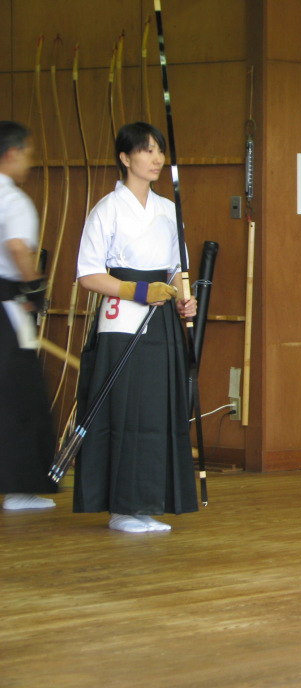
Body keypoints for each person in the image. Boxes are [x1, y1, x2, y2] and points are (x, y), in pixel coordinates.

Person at [73, 122, 198, 533]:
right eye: (146, 150)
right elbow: (89, 274)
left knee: (157, 410)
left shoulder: (167, 209)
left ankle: (148, 502)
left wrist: (184, 297)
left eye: (159, 150)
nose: (156, 158)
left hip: (161, 320)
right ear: (125, 158)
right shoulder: (107, 209)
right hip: (122, 318)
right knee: (125, 410)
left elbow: (177, 267)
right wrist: (138, 290)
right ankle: (121, 507)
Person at [0, 121, 58, 511]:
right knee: (21, 397)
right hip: (6, 308)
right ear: (12, 153)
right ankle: (19, 488)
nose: (30, 162)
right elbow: (18, 247)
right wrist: (34, 289)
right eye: (28, 154)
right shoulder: (13, 199)